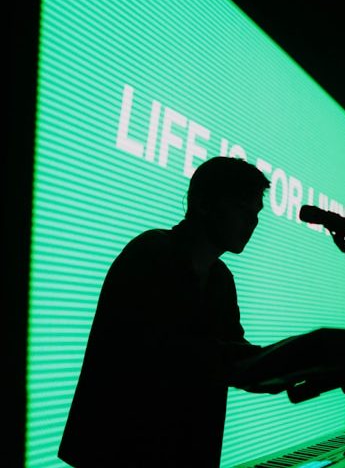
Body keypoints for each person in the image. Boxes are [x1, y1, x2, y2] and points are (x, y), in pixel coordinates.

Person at [58, 156, 272, 467]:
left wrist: (281, 365)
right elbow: (172, 352)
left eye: (256, 214)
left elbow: (232, 351)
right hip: (119, 451)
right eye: (243, 209)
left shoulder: (221, 278)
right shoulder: (150, 253)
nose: (252, 222)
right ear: (203, 204)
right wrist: (284, 362)